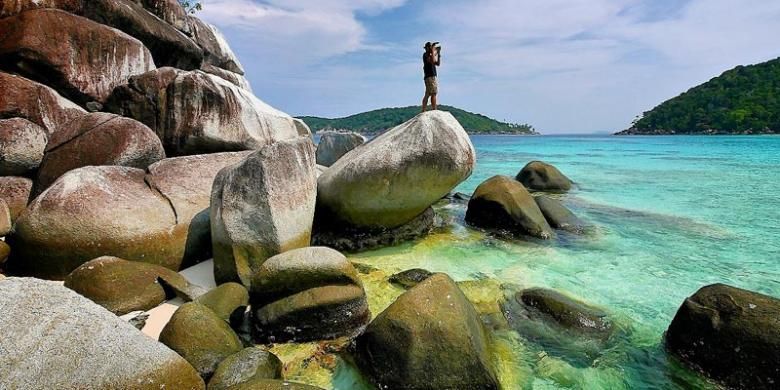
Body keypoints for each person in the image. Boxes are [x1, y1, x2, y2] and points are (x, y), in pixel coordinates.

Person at [421, 41, 441, 112]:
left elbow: (437, 63)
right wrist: (433, 51)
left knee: (428, 93)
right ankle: (434, 109)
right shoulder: (426, 55)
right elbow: (432, 60)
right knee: (433, 93)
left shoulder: (429, 55)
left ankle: (424, 110)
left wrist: (438, 54)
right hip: (430, 76)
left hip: (430, 76)